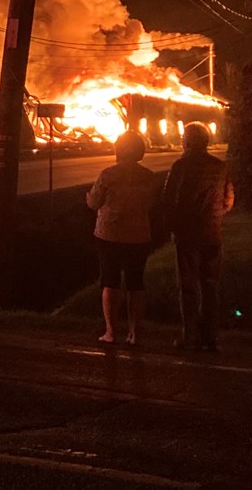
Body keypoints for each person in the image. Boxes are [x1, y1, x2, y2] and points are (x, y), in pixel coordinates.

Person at [163, 121, 235, 352]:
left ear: (188, 141)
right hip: (213, 233)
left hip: (188, 234)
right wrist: (215, 215)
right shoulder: (220, 167)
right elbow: (228, 199)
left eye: (184, 137)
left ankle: (190, 336)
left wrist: (174, 225)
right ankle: (210, 336)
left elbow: (169, 200)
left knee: (188, 286)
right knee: (210, 285)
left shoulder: (181, 166)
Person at [86, 130, 161, 346]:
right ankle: (134, 333)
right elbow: (152, 203)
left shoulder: (109, 174)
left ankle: (111, 331)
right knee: (135, 282)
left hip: (109, 234)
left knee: (110, 280)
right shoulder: (148, 176)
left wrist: (89, 199)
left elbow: (94, 203)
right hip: (138, 235)